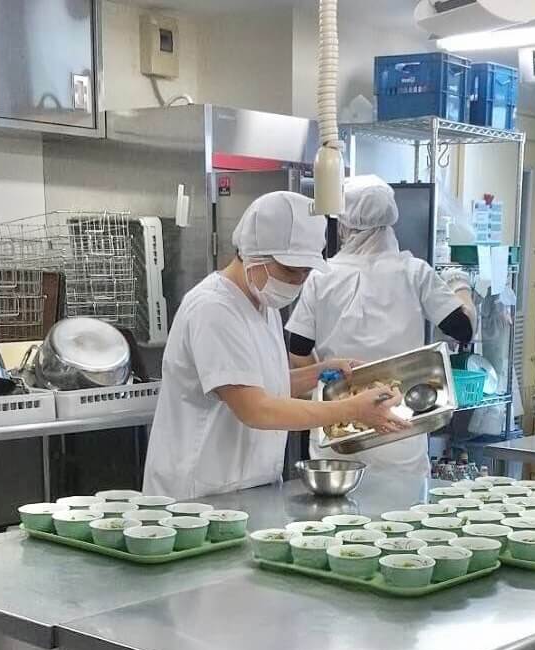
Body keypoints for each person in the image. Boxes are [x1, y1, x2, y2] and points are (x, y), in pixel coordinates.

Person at [143, 191, 409, 499]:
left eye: (306, 272)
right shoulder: (213, 309)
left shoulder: (262, 305)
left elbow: (265, 384)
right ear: (253, 255)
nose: (298, 281)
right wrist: (350, 409)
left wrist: (321, 372)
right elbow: (256, 408)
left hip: (241, 489)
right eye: (290, 270)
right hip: (195, 495)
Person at [285, 175, 475, 478]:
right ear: (390, 222)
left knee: (336, 505)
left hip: (340, 428)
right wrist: (461, 285)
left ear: (344, 224)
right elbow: (463, 329)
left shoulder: (321, 277)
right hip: (399, 422)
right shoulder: (414, 272)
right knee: (402, 504)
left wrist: (329, 393)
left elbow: (298, 350)